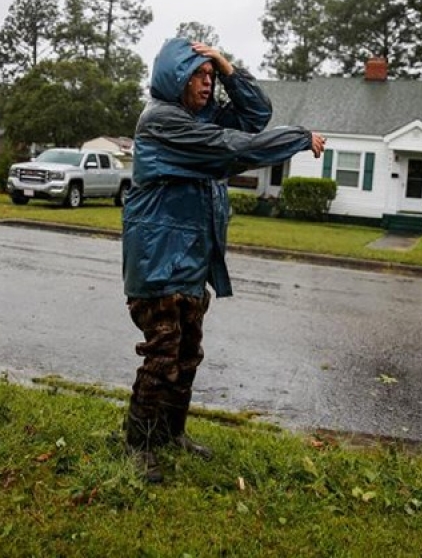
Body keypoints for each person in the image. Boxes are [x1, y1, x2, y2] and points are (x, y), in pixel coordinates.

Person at [121, 37, 325, 482]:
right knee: (163, 355)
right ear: (174, 79)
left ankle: (171, 433)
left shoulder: (200, 116)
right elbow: (235, 148)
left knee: (188, 353)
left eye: (210, 76)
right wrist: (297, 138)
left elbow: (254, 117)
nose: (207, 82)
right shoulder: (163, 122)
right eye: (199, 73)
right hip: (158, 260)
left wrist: (227, 66)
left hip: (192, 259)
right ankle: (138, 445)